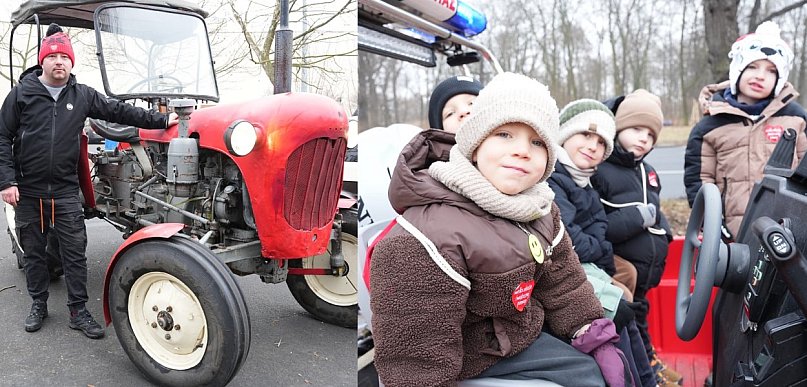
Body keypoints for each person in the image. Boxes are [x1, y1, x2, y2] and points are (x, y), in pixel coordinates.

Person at [370, 72, 632, 387]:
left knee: (601, 363)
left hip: (517, 333)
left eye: (537, 142)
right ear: (475, 144)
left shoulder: (540, 209)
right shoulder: (425, 240)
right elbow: (415, 363)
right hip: (469, 359)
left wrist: (592, 332)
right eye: (505, 134)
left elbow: (563, 283)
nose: (523, 150)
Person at [0, 24, 176, 339]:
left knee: (74, 251)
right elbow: (2, 137)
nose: (58, 62)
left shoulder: (83, 95)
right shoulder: (21, 94)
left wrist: (160, 120)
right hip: (29, 190)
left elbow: (119, 111)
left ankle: (78, 311)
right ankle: (38, 303)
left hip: (66, 190)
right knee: (34, 252)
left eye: (63, 56)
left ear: (71, 62)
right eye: (52, 56)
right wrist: (6, 181)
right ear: (43, 60)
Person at [549, 99, 655, 387]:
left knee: (628, 278)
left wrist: (601, 248)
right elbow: (571, 239)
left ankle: (645, 369)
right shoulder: (555, 178)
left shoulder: (585, 181)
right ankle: (637, 373)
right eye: (585, 135)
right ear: (564, 135)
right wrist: (603, 250)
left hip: (591, 260)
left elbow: (599, 227)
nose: (592, 145)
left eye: (600, 142)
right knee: (621, 298)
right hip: (569, 267)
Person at [685, 21, 807, 238]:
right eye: (752, 66)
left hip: (787, 233)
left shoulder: (796, 119)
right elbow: (699, 182)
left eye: (771, 71)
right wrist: (712, 226)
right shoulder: (709, 126)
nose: (760, 76)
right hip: (731, 238)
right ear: (738, 69)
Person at [593, 89, 680, 386]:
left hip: (646, 271)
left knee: (641, 313)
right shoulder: (601, 169)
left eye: (651, 135)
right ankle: (645, 369)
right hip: (621, 265)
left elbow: (655, 209)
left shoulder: (648, 171)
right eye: (636, 129)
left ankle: (650, 359)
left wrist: (665, 235)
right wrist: (639, 218)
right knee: (632, 317)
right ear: (618, 128)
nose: (644, 138)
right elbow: (599, 224)